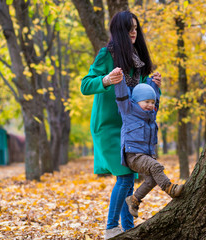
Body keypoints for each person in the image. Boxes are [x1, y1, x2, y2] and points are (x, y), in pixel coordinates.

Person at [80, 10, 162, 239]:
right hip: (107, 126)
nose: (133, 33)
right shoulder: (107, 55)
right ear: (119, 32)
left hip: (130, 127)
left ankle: (128, 228)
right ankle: (110, 228)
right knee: (125, 176)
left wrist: (154, 85)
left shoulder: (137, 60)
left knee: (130, 176)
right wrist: (106, 79)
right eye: (129, 29)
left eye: (136, 28)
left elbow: (144, 98)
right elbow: (85, 85)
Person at [114, 74, 184, 219]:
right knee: (156, 167)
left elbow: (155, 99)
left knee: (152, 180)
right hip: (133, 155)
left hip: (146, 155)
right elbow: (121, 96)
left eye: (152, 102)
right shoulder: (128, 111)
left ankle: (134, 200)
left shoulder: (150, 116)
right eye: (147, 102)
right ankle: (169, 188)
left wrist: (154, 84)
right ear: (137, 101)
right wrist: (120, 81)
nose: (151, 105)